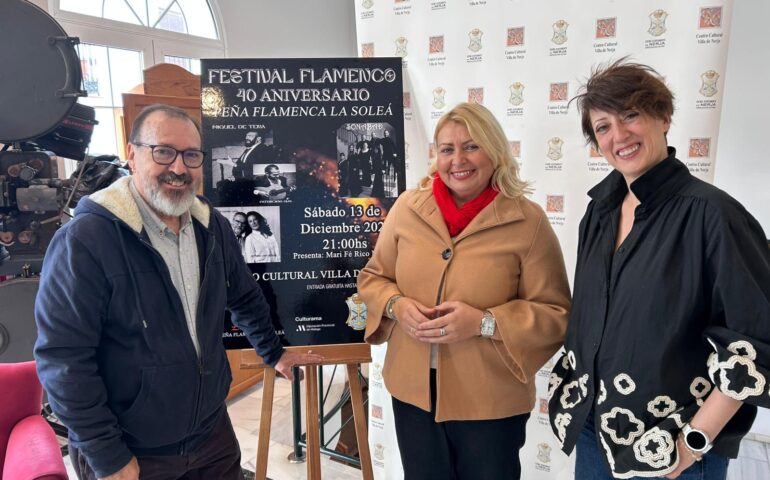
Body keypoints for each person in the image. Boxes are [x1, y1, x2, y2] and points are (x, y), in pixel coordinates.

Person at [34, 104, 321, 480]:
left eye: (191, 155)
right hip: (132, 451)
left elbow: (245, 296)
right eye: (164, 152)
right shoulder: (85, 240)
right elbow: (63, 359)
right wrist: (106, 454)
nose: (179, 167)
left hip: (211, 435)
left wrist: (273, 352)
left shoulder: (212, 226)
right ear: (132, 153)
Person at [547, 60, 770, 480]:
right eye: (603, 127)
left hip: (673, 446)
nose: (619, 135)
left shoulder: (715, 215)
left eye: (630, 114)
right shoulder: (599, 211)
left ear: (663, 116)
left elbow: (755, 346)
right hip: (595, 434)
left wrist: (693, 443)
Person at [357, 102, 571, 479]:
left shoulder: (529, 221)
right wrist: (395, 305)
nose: (458, 159)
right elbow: (373, 278)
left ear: (495, 151)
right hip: (413, 395)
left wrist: (485, 323)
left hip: (491, 401)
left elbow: (555, 314)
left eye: (472, 146)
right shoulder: (407, 207)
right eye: (447, 149)